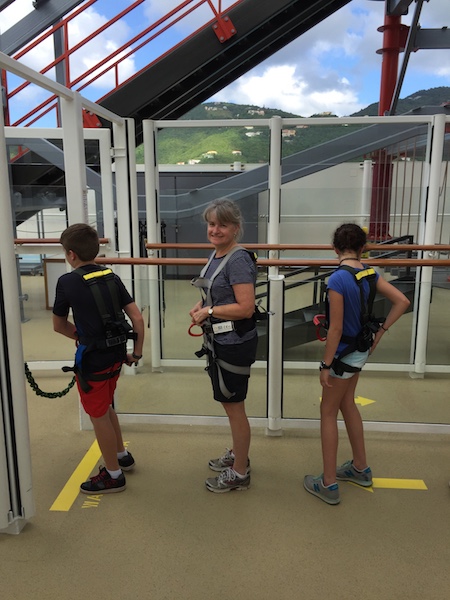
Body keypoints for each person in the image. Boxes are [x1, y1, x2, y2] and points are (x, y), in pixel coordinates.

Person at [304, 223, 410, 505]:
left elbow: (336, 329)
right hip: (361, 350)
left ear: (334, 249)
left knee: (328, 412)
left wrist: (325, 365)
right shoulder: (369, 272)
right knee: (347, 403)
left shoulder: (337, 279)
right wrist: (381, 332)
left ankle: (328, 483)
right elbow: (402, 301)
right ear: (363, 248)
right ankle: (360, 468)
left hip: (343, 355)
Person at [53, 223, 145, 494]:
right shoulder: (111, 276)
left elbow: (59, 325)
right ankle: (121, 455)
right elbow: (137, 318)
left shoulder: (67, 282)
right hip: (117, 355)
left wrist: (82, 338)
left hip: (93, 360)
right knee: (105, 406)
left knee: (98, 414)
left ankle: (113, 475)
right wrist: (136, 353)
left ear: (71, 254)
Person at [190, 199, 258, 493]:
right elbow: (218, 294)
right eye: (211, 224)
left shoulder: (238, 259)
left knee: (234, 407)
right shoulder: (218, 254)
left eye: (222, 225)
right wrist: (202, 307)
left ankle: (240, 472)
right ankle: (238, 453)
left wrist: (209, 311)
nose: (215, 230)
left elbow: (245, 307)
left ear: (236, 228)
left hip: (234, 343)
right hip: (219, 340)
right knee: (230, 405)